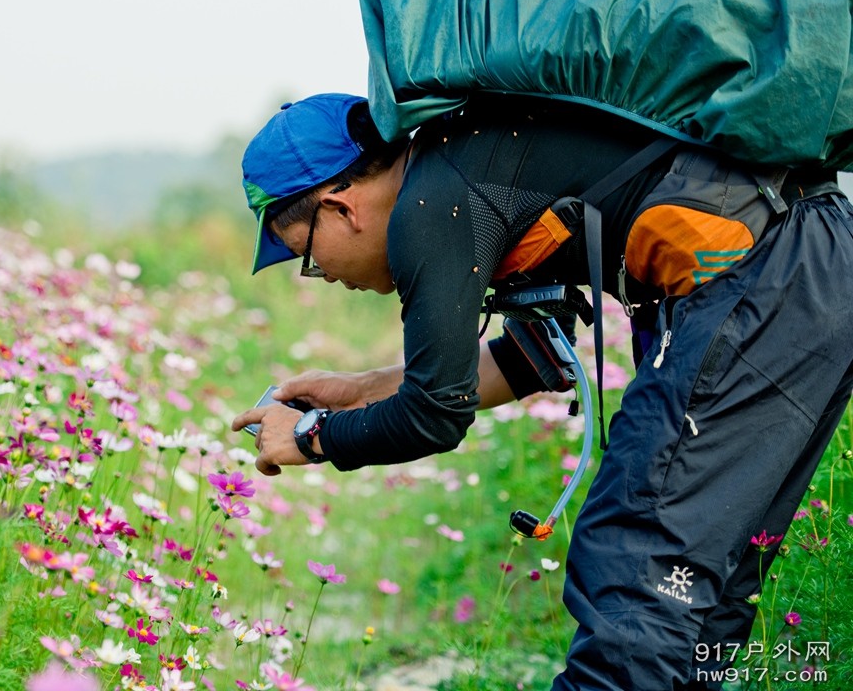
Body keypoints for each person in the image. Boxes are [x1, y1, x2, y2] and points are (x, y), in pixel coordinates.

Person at [231, 90, 853, 690]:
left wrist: (311, 438)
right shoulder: (469, 162)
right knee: (697, 592)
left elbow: (432, 417)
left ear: (340, 206)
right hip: (810, 259)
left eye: (306, 255)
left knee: (634, 569)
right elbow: (534, 359)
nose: (321, 277)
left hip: (760, 278)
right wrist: (364, 388)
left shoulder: (433, 205)